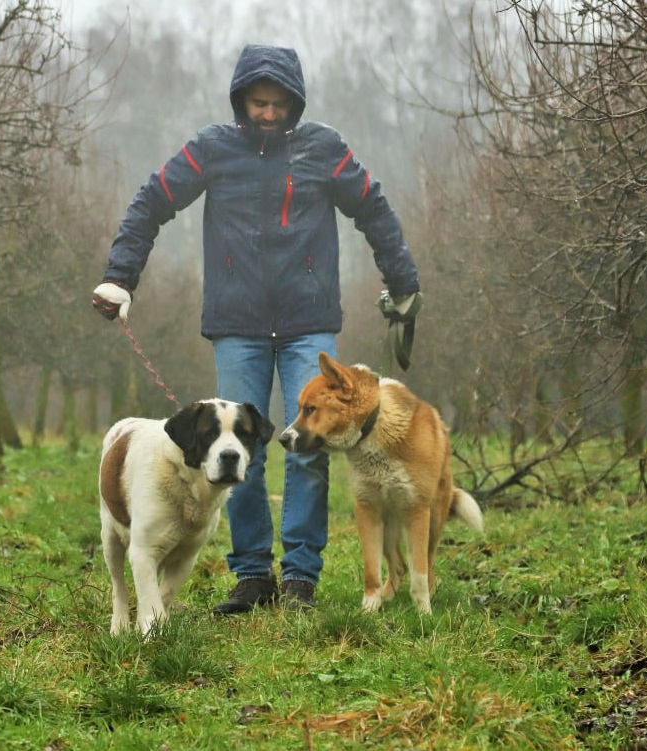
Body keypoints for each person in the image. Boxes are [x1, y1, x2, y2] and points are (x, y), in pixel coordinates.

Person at [92, 44, 420, 615]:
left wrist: (403, 280)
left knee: (308, 446)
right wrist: (121, 277)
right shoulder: (211, 150)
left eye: (277, 103)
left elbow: (373, 207)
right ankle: (251, 577)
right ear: (241, 100)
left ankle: (299, 578)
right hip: (236, 321)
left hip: (308, 321)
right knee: (240, 448)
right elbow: (152, 202)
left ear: (294, 102)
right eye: (256, 102)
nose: (267, 113)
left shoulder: (324, 148)